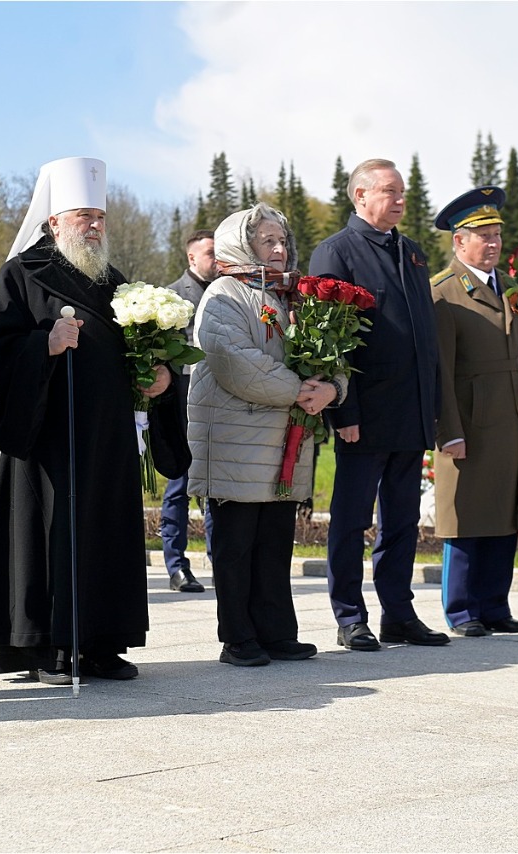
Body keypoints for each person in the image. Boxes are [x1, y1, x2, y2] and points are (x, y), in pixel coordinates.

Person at [0, 157, 184, 684]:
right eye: (83, 216)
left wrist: (158, 375)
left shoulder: (114, 280)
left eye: (99, 217)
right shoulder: (22, 274)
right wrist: (42, 345)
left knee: (106, 531)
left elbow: (137, 348)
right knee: (49, 532)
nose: (93, 226)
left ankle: (102, 641)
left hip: (107, 434)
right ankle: (46, 645)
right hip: (47, 433)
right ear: (53, 221)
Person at [308, 158, 447, 651]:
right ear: (361, 195)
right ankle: (350, 616)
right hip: (363, 417)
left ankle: (399, 613)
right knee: (351, 520)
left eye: (403, 191)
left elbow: (426, 340)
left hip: (410, 413)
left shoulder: (411, 252)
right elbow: (328, 344)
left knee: (403, 522)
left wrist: (433, 407)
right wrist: (343, 413)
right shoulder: (336, 253)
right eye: (391, 191)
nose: (401, 200)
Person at [189, 203, 336, 666]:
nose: (279, 249)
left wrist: (331, 388)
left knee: (275, 543)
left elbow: (330, 354)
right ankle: (238, 637)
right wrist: (301, 390)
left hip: (282, 443)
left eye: (282, 241)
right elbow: (236, 364)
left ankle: (276, 631)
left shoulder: (292, 296)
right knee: (235, 546)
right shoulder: (224, 295)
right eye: (267, 241)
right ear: (241, 245)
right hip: (236, 442)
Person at [430, 187, 518, 637]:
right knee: (466, 517)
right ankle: (461, 610)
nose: (494, 243)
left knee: (503, 511)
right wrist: (448, 432)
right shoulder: (443, 293)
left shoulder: (509, 290)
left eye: (497, 234)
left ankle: (495, 605)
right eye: (483, 235)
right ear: (459, 242)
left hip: (511, 418)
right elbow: (439, 372)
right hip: (470, 423)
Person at [161, 229, 217, 593]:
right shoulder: (170, 298)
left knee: (216, 485)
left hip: (220, 402)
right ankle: (177, 565)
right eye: (210, 253)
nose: (217, 259)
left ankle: (220, 558)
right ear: (191, 258)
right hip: (182, 402)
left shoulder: (228, 294)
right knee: (180, 484)